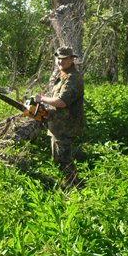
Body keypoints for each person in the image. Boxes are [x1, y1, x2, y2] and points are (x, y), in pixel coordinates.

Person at [33, 46, 84, 188]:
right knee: (58, 159)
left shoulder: (73, 78)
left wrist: (42, 98)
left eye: (64, 59)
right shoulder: (62, 76)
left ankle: (77, 189)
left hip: (66, 127)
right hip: (57, 125)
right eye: (59, 59)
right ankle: (69, 187)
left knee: (64, 160)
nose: (61, 61)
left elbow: (61, 102)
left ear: (72, 59)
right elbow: (56, 100)